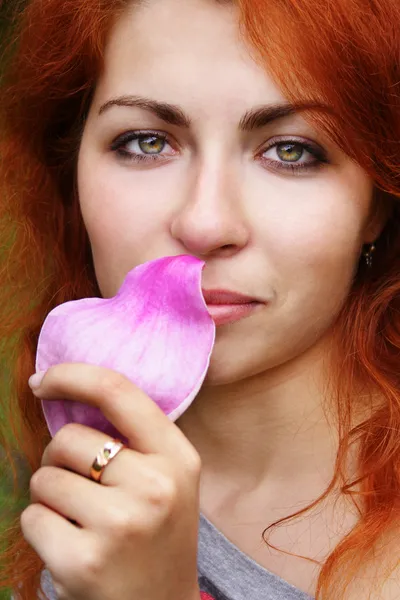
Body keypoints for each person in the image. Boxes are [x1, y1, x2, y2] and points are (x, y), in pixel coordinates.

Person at [0, 0, 400, 598]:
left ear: (377, 205)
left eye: (291, 150)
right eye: (145, 142)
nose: (206, 223)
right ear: (73, 171)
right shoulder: (83, 468)